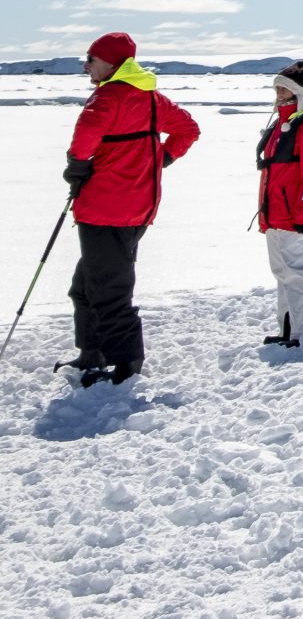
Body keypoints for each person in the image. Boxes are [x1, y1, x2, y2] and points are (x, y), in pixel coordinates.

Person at [61, 33, 201, 386]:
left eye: (91, 59)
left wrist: (76, 167)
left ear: (112, 63)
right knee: (87, 286)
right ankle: (93, 353)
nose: (86, 65)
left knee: (108, 290)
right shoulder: (152, 98)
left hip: (105, 209)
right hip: (136, 207)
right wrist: (161, 159)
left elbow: (84, 138)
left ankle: (125, 365)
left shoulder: (108, 97)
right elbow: (188, 129)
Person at [255, 57, 303, 352]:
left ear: (299, 92)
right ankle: (290, 331)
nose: (278, 95)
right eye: (276, 90)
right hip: (276, 214)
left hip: (296, 217)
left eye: (284, 90)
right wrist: (266, 214)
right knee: (283, 273)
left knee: (298, 274)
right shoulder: (283, 123)